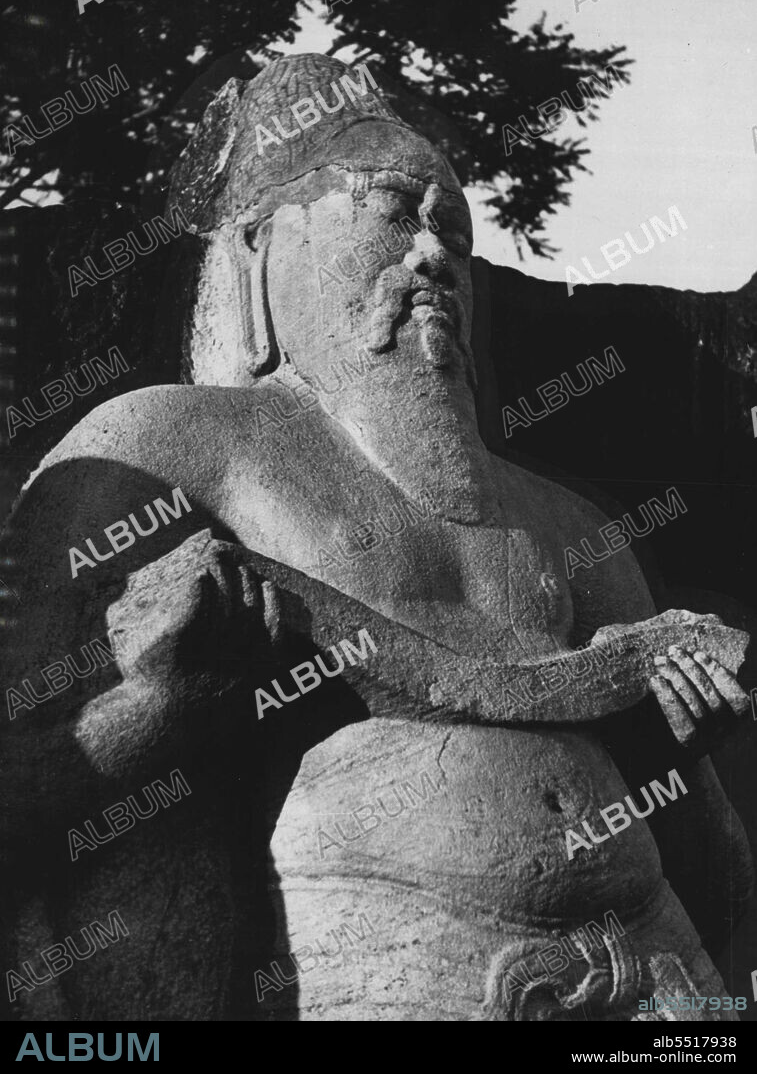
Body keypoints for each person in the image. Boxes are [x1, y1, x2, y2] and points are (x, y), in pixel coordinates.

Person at [0, 53, 751, 1021]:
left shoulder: (568, 521)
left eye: (450, 228)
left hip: (661, 977)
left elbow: (721, 879)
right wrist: (166, 706)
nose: (432, 255)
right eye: (394, 213)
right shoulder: (164, 445)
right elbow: (22, 796)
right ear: (260, 249)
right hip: (371, 971)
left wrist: (676, 743)